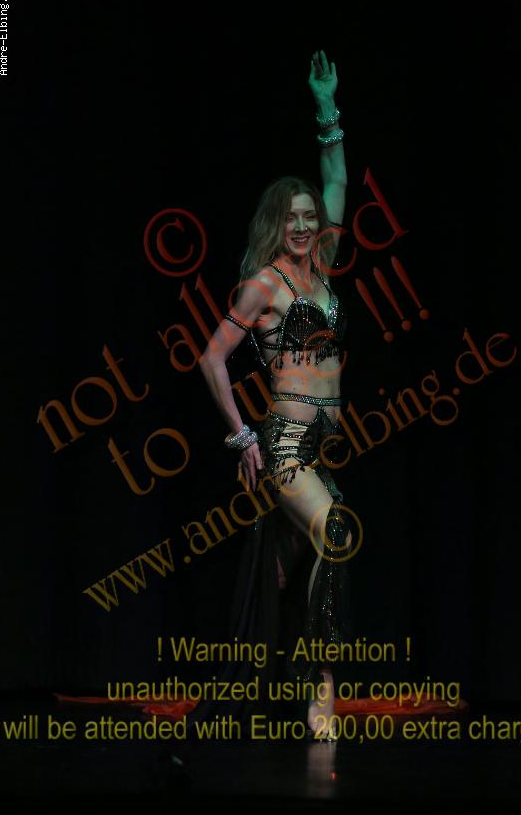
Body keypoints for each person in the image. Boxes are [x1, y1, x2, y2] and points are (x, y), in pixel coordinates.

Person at [189, 50, 353, 743]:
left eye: (310, 216)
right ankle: (322, 693)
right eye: (293, 218)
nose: (305, 226)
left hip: (327, 444)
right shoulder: (265, 283)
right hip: (285, 443)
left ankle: (285, 689)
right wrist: (242, 435)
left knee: (294, 572)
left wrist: (327, 108)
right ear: (276, 225)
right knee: (336, 534)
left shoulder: (322, 271)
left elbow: (337, 176)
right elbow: (211, 357)